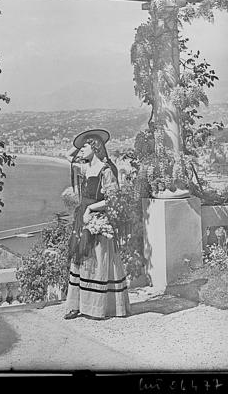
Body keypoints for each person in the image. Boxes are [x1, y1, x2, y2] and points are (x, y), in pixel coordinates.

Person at [63, 129, 130, 320]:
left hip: (97, 218)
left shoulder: (106, 170)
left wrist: (91, 209)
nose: (80, 150)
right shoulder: (85, 168)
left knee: (98, 260)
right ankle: (77, 305)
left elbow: (113, 198)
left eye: (85, 146)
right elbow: (68, 155)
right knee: (81, 258)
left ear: (95, 147)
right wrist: (79, 142)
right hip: (82, 218)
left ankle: (97, 307)